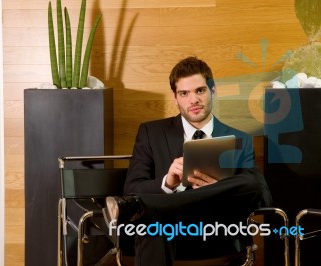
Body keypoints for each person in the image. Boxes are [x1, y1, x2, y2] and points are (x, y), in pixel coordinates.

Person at [103, 56, 272, 265]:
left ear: (213, 91)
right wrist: (168, 182)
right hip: (168, 227)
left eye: (200, 90)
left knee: (253, 181)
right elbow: (132, 187)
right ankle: (157, 207)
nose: (193, 100)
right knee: (154, 225)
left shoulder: (240, 139)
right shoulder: (151, 133)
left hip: (219, 229)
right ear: (175, 97)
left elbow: (262, 195)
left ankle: (143, 205)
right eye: (184, 93)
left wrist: (221, 188)